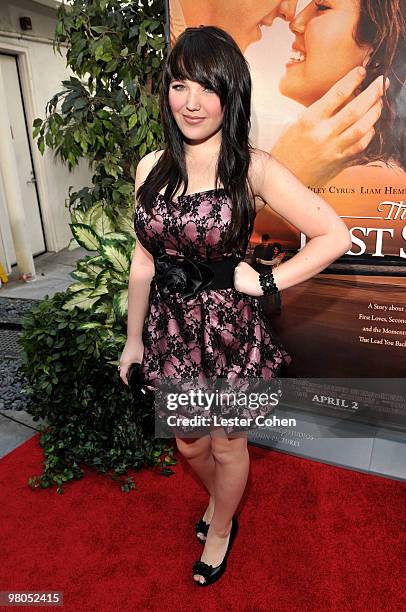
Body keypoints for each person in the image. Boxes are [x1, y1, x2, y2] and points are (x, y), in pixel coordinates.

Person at [119, 26, 351, 587]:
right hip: (170, 330)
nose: (191, 102)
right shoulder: (150, 167)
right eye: (179, 85)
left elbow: (333, 235)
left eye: (207, 87)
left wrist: (268, 282)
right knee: (188, 441)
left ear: (231, 93)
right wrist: (132, 341)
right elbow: (142, 263)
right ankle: (219, 503)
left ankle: (221, 524)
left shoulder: (252, 166)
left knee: (227, 443)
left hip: (226, 332)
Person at [169, 0, 389, 187]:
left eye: (321, 7)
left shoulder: (383, 175)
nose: (294, 19)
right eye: (179, 87)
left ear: (377, 44)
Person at [278, 0, 406, 172]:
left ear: (378, 45)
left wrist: (287, 165)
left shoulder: (374, 177)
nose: (296, 23)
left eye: (322, 7)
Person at [256, 242, 286, 313]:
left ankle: (277, 308)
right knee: (273, 292)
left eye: (276, 250)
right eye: (274, 249)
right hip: (274, 275)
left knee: (276, 293)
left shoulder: (279, 257)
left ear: (279, 250)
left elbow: (271, 263)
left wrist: (261, 261)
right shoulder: (274, 255)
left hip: (278, 276)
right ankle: (272, 307)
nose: (275, 251)